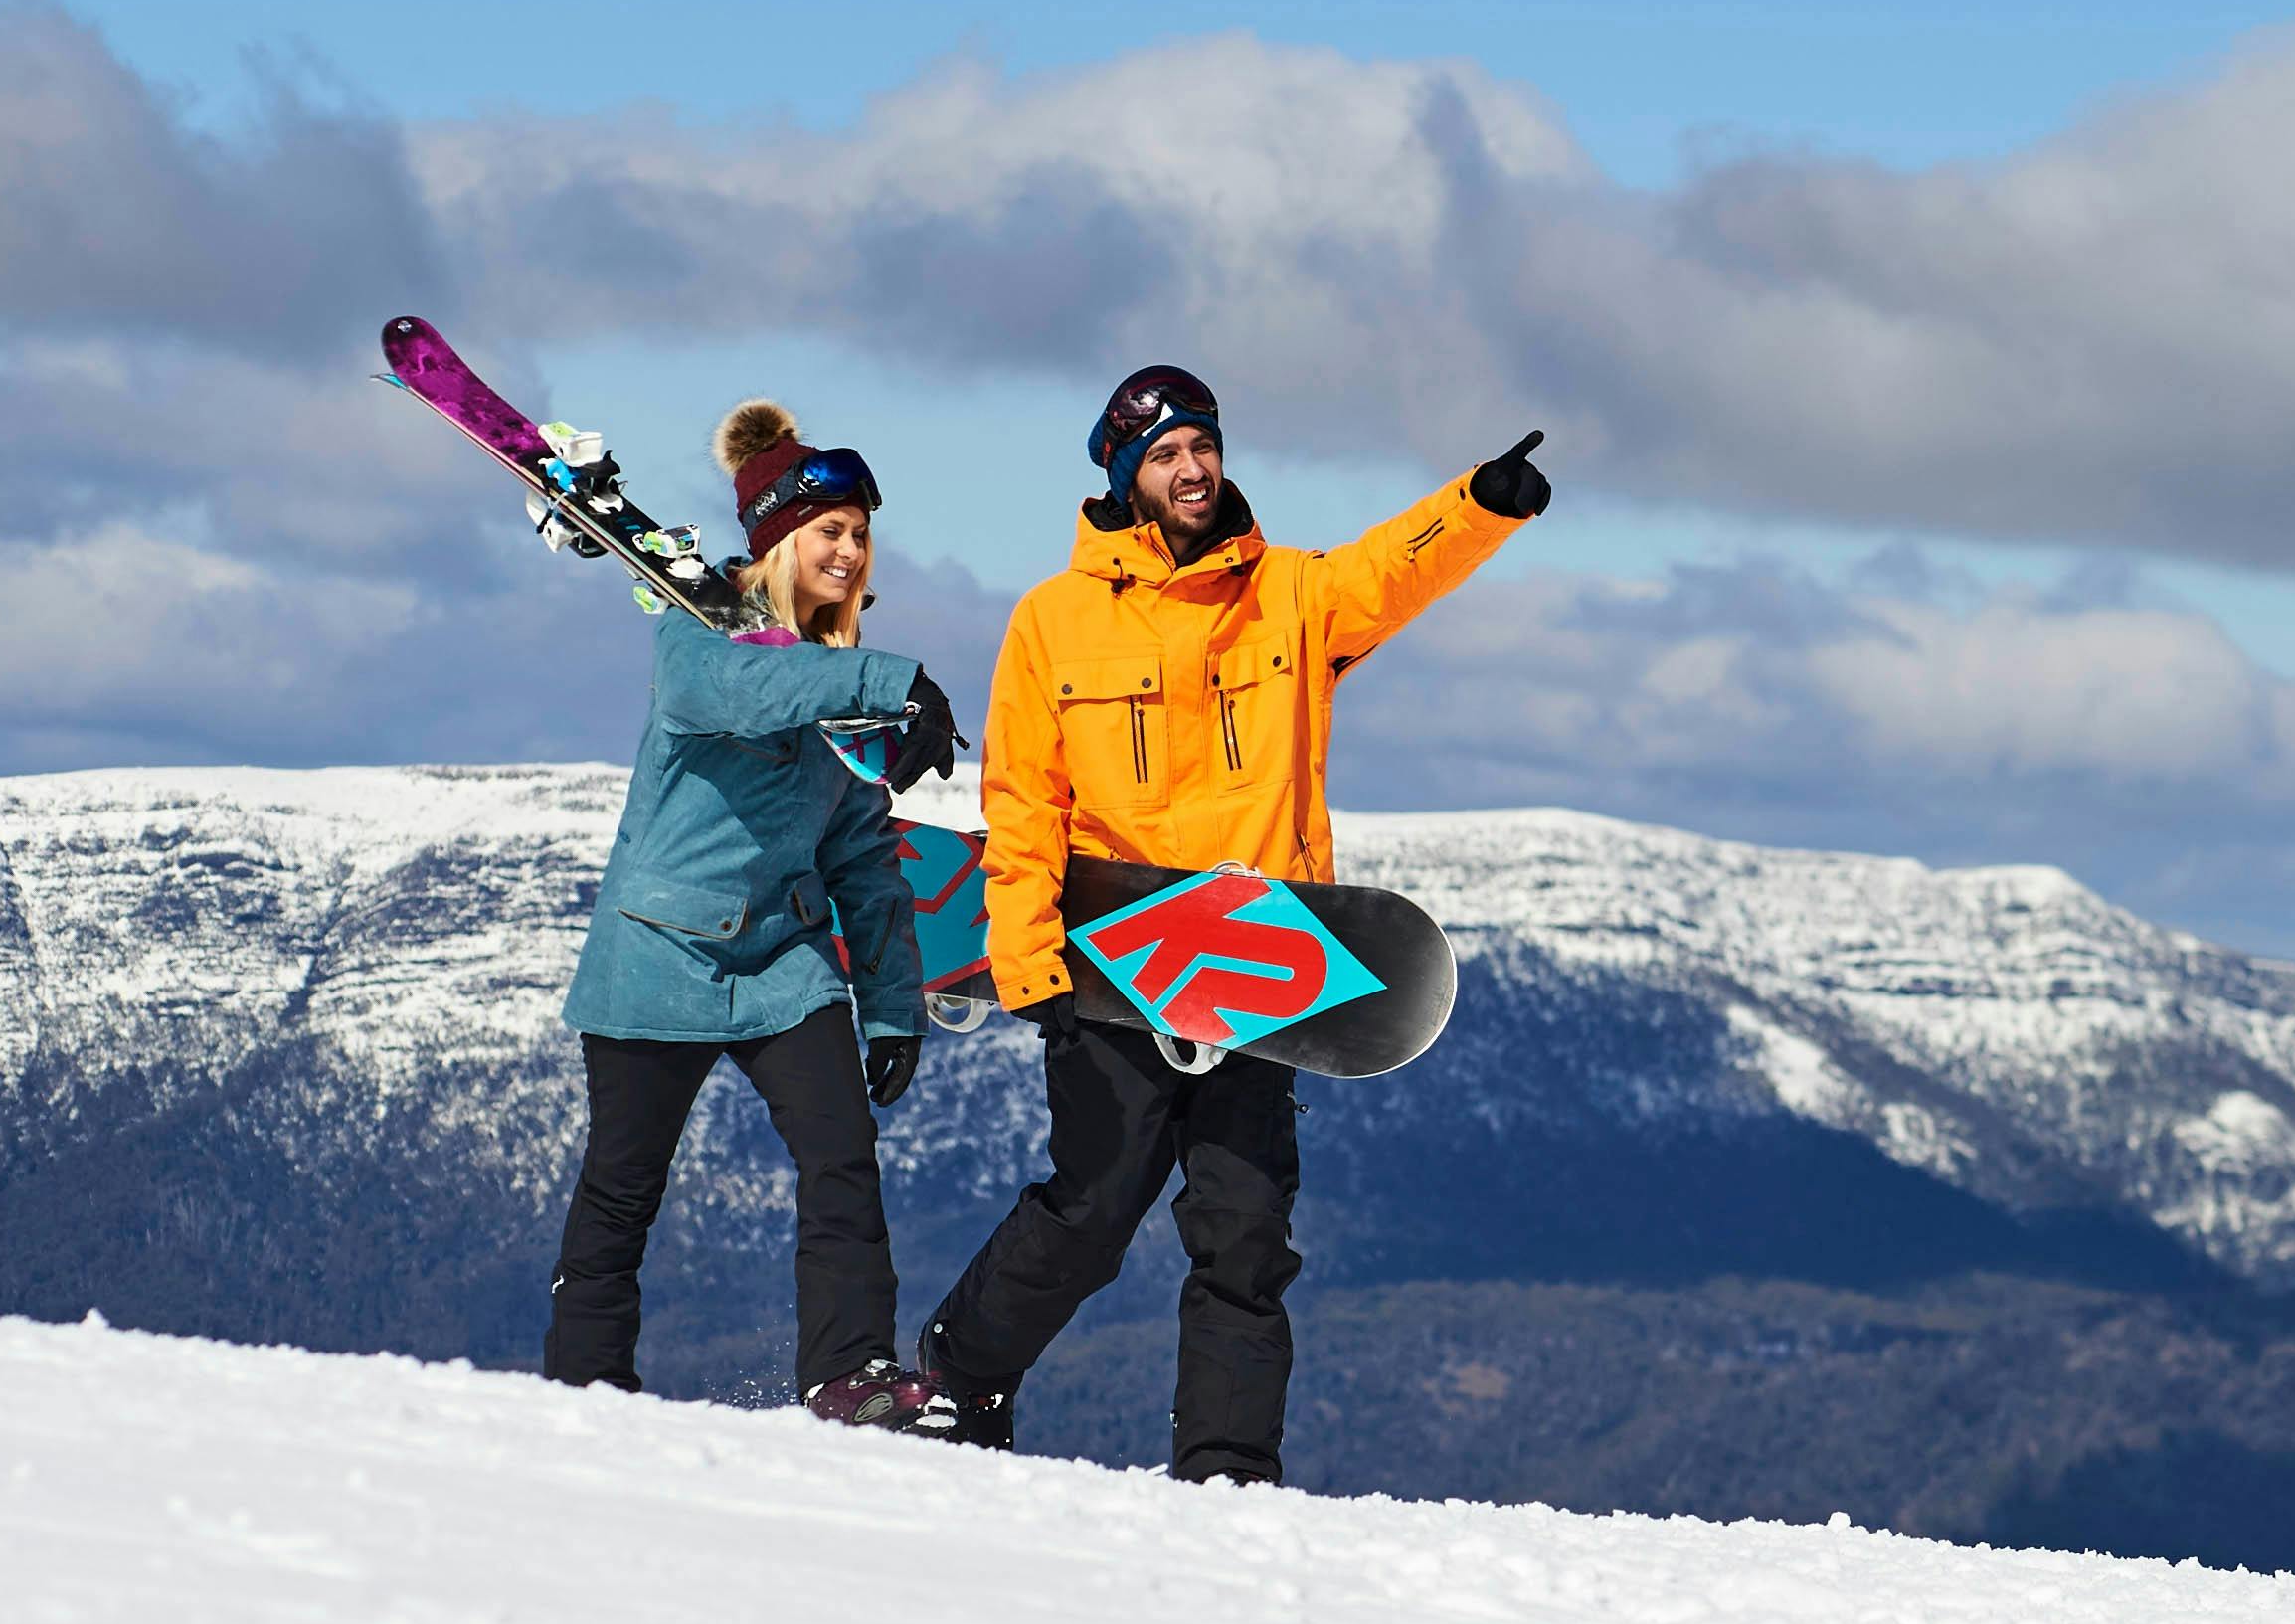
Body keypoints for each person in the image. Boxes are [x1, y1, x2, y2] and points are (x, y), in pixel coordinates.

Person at [918, 365, 1551, 1478]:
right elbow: (1023, 803)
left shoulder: (1294, 597)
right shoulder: (1052, 622)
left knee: (1244, 1232)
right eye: (1164, 455)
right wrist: (1019, 955)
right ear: (1126, 476)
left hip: (1258, 966)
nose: (1192, 468)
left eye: (1202, 446)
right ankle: (959, 1375)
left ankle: (1227, 1467)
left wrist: (1480, 501)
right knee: (1092, 1211)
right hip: (1112, 960)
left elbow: (1389, 573)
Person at [543, 400, 966, 1426]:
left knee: (840, 1157)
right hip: (656, 949)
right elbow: (746, 691)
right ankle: (586, 1389)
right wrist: (895, 678)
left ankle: (848, 1373)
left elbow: (863, 858)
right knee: (622, 1186)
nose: (852, 548)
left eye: (861, 533)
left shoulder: (854, 694)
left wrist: (894, 1006)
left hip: (778, 959)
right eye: (831, 529)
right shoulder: (695, 641)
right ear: (777, 541)